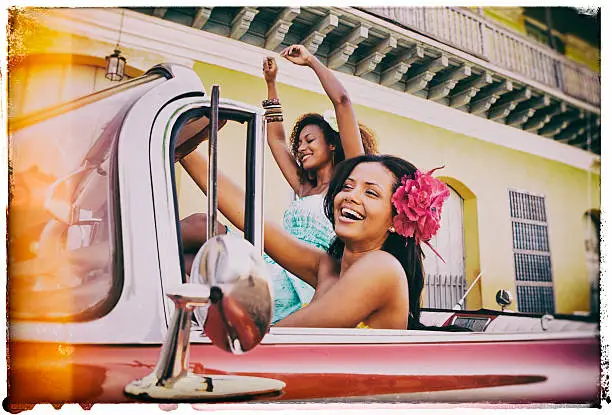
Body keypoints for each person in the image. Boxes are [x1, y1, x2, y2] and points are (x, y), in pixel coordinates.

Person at [180, 44, 378, 323]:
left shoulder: (347, 185)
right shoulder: (302, 186)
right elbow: (276, 139)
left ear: (333, 144)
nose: (302, 148)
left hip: (299, 280)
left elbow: (343, 102)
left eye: (310, 141)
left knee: (201, 234)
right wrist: (271, 85)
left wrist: (311, 61)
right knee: (191, 252)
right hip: (270, 259)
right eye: (299, 144)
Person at [180, 151, 451, 329]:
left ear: (396, 220)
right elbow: (252, 218)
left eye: (371, 193)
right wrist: (186, 150)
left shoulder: (383, 268)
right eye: (347, 186)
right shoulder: (328, 267)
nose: (351, 196)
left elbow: (283, 337)